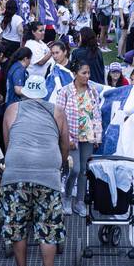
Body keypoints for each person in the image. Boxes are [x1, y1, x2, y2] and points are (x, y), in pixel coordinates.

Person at [0, 70, 70, 266]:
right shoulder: (57, 111)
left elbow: (8, 143)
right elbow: (65, 145)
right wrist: (57, 166)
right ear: (45, 92)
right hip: (47, 174)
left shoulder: (12, 109)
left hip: (15, 175)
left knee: (18, 226)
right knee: (48, 228)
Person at [54, 61, 100, 216]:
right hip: (71, 136)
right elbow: (58, 117)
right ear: (75, 74)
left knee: (84, 171)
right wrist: (66, 139)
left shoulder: (93, 91)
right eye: (84, 73)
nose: (87, 76)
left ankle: (79, 201)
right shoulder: (65, 92)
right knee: (74, 169)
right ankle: (66, 197)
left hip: (87, 136)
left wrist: (97, 136)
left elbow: (97, 115)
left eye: (88, 73)